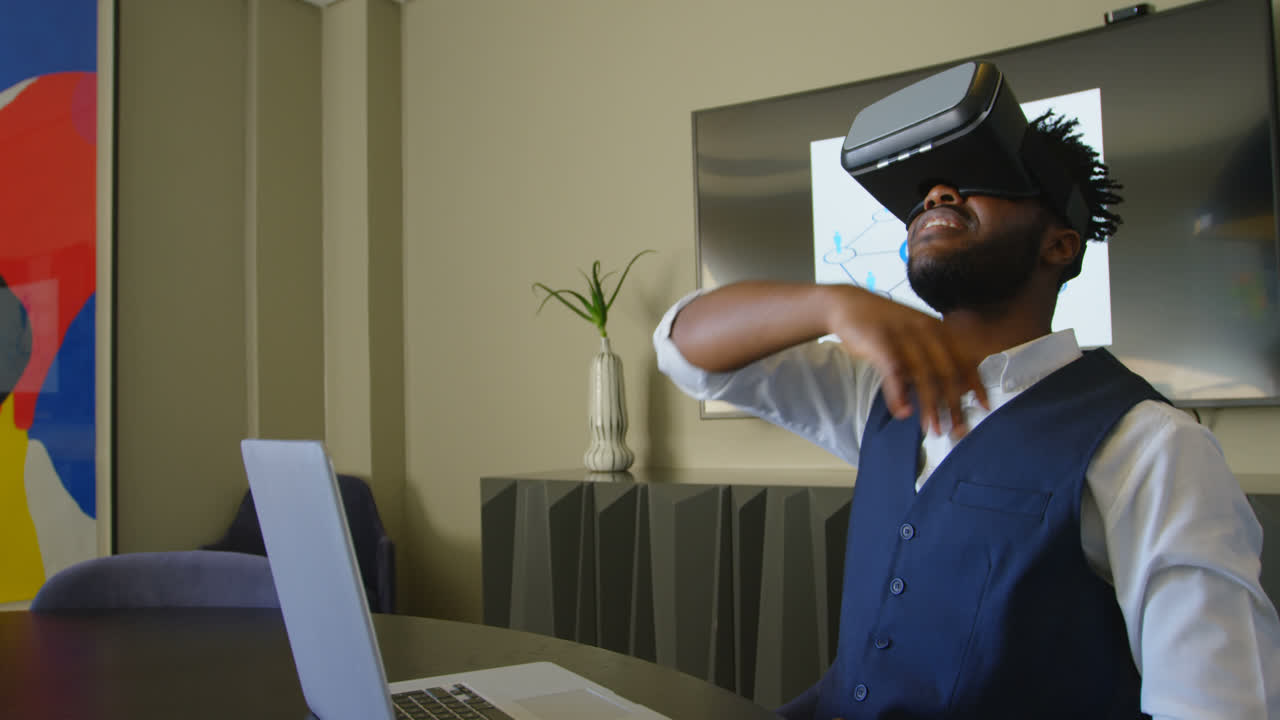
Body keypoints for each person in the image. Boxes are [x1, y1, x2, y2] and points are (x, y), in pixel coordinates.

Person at [653, 112, 1280, 719]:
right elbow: (685, 350)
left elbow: (1219, 707)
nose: (936, 195)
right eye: (924, 194)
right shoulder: (880, 391)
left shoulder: (1153, 447)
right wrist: (830, 305)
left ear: (1060, 243)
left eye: (978, 176)